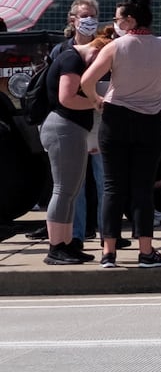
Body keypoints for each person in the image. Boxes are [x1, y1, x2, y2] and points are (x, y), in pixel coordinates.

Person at [80, 0, 161, 269]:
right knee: (142, 188)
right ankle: (146, 250)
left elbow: (86, 80)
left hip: (116, 117)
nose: (115, 22)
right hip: (150, 120)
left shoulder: (114, 47)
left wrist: (98, 100)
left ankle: (108, 252)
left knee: (112, 187)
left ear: (131, 21)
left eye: (119, 18)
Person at [37, 20, 99, 264]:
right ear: (95, 51)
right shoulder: (72, 59)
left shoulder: (73, 58)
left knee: (71, 190)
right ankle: (56, 247)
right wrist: (98, 102)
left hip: (69, 129)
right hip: (64, 128)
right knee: (63, 189)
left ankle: (66, 242)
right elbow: (67, 98)